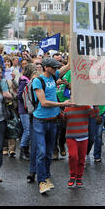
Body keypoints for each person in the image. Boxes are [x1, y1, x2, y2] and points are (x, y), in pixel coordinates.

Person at [32, 57, 73, 194]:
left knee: (49, 152)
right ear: (46, 67)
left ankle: (46, 176)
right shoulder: (38, 81)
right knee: (42, 152)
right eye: (53, 67)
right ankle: (42, 181)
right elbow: (43, 102)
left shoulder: (53, 76)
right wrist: (62, 104)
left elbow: (67, 67)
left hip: (53, 120)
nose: (56, 69)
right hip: (40, 121)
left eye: (56, 67)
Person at [62, 104, 99, 188]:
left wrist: (95, 105)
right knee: (73, 156)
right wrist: (62, 116)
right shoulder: (67, 106)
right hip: (71, 136)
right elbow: (64, 119)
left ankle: (79, 177)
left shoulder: (86, 106)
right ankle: (72, 176)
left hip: (83, 136)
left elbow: (95, 114)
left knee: (82, 158)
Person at [18, 64, 37, 161]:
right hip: (24, 109)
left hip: (29, 109)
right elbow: (20, 95)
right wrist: (27, 103)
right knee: (27, 130)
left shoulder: (28, 80)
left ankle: (25, 149)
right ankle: (23, 150)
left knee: (29, 129)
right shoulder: (24, 81)